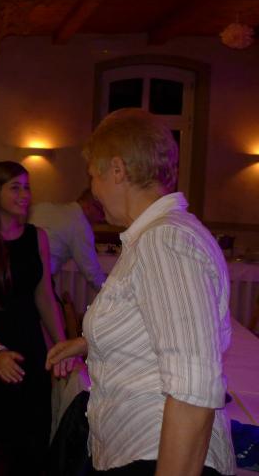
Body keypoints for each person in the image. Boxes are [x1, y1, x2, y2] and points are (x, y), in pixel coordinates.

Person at [46, 108, 236, 475]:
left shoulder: (165, 241)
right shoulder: (154, 238)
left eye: (93, 176)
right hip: (140, 449)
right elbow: (152, 324)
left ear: (117, 170)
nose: (94, 191)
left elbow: (193, 387)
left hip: (157, 453)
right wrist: (89, 343)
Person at [0, 160, 71, 475]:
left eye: (27, 188)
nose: (25, 195)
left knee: (31, 439)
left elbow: (44, 296)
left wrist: (62, 344)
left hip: (28, 344)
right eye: (16, 188)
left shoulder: (38, 237)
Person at [30, 188, 107, 291]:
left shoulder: (44, 207)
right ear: (89, 206)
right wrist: (116, 296)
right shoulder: (81, 226)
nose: (102, 218)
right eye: (102, 213)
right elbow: (93, 274)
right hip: (35, 281)